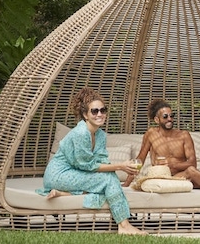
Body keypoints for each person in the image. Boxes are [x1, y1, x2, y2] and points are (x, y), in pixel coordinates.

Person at [36, 87, 146, 235]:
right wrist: (121, 166)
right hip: (58, 174)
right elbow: (88, 165)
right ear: (85, 115)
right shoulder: (81, 133)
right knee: (108, 180)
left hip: (74, 173)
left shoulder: (100, 135)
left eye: (103, 110)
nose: (100, 114)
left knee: (109, 179)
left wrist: (116, 171)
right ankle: (124, 226)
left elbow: (102, 161)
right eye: (94, 111)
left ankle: (64, 194)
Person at [124, 99, 200, 192]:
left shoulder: (184, 135)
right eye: (165, 116)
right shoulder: (151, 134)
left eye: (171, 115)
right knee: (191, 173)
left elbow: (192, 163)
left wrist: (172, 164)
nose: (169, 119)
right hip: (162, 177)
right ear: (156, 119)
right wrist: (127, 182)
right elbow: (140, 159)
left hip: (183, 175)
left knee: (190, 171)